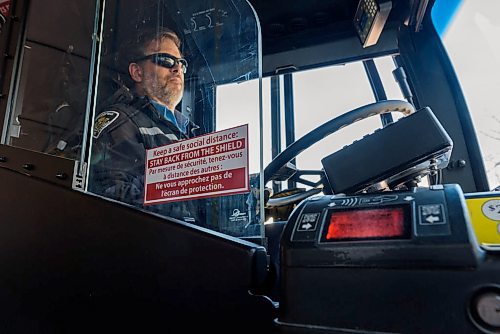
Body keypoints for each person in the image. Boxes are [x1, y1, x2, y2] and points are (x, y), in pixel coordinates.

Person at [89, 27, 202, 223]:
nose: (177, 69)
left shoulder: (191, 132)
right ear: (137, 72)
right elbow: (115, 196)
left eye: (181, 64)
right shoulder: (121, 119)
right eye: (165, 60)